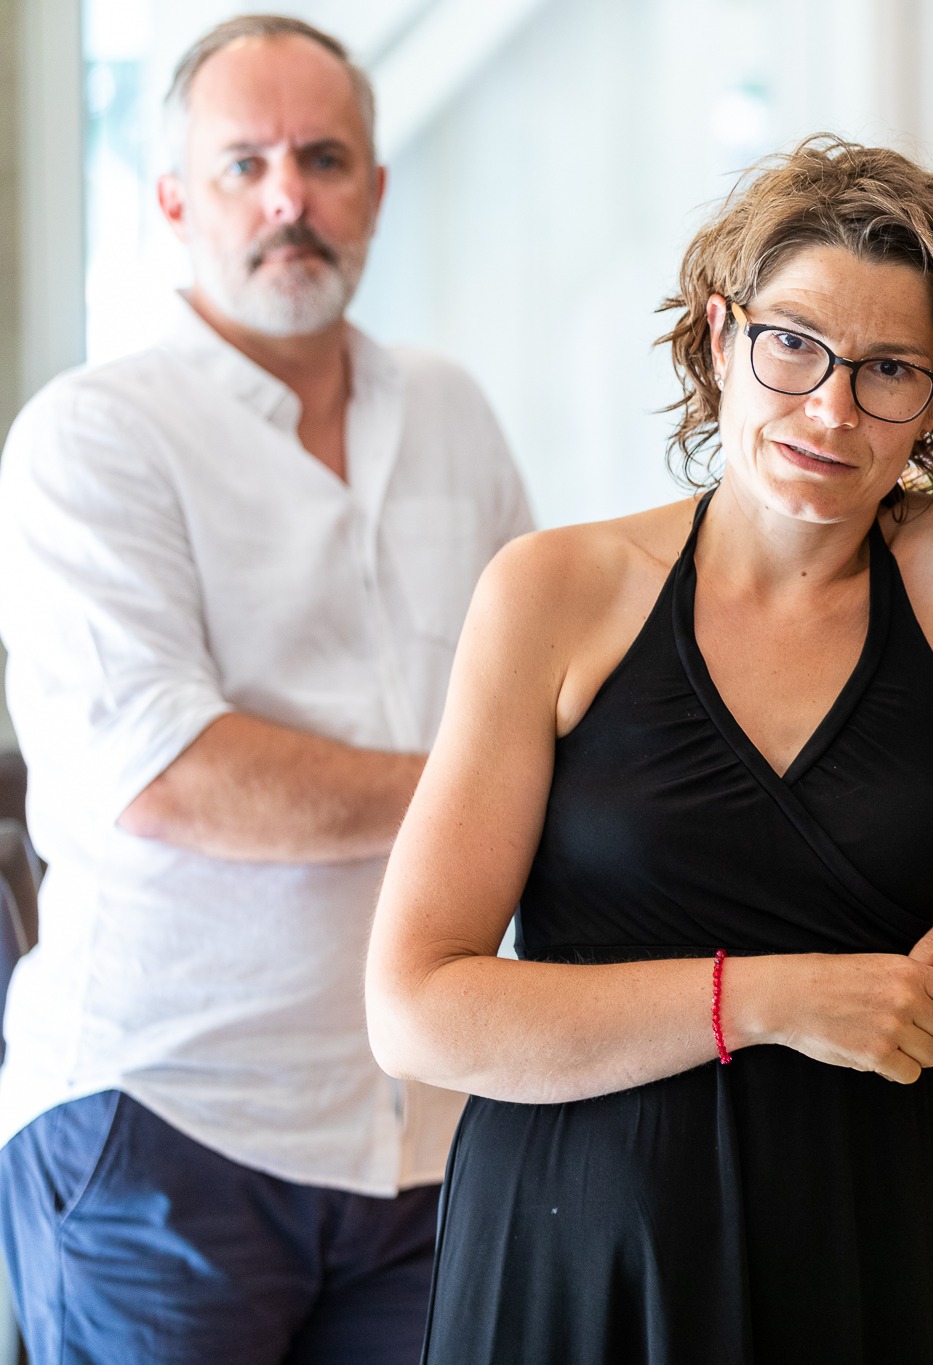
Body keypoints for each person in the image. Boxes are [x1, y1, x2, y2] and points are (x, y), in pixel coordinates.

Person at [362, 136, 933, 1364]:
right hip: (572, 1241)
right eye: (794, 344)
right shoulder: (554, 590)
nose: (830, 408)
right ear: (722, 337)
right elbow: (417, 1012)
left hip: (850, 1221)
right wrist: (777, 997)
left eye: (888, 370)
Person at [0, 15, 532, 1364]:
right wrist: (496, 792)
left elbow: (543, 685)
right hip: (167, 1121)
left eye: (324, 159)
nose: (288, 196)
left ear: (375, 191)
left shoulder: (453, 411)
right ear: (176, 201)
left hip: (427, 1125)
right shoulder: (91, 436)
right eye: (243, 164)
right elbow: (171, 777)